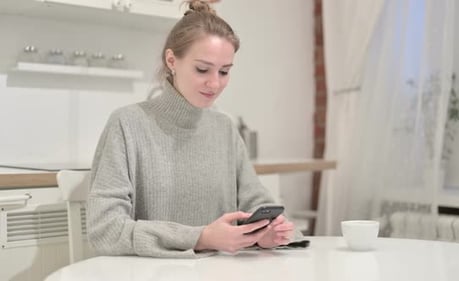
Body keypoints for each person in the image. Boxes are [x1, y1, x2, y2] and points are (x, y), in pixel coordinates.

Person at [87, 0, 301, 258]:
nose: (215, 83)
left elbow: (255, 201)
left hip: (221, 273)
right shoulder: (127, 124)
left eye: (224, 71)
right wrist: (200, 237)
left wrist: (266, 233)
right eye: (202, 69)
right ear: (171, 61)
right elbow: (105, 230)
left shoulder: (224, 128)